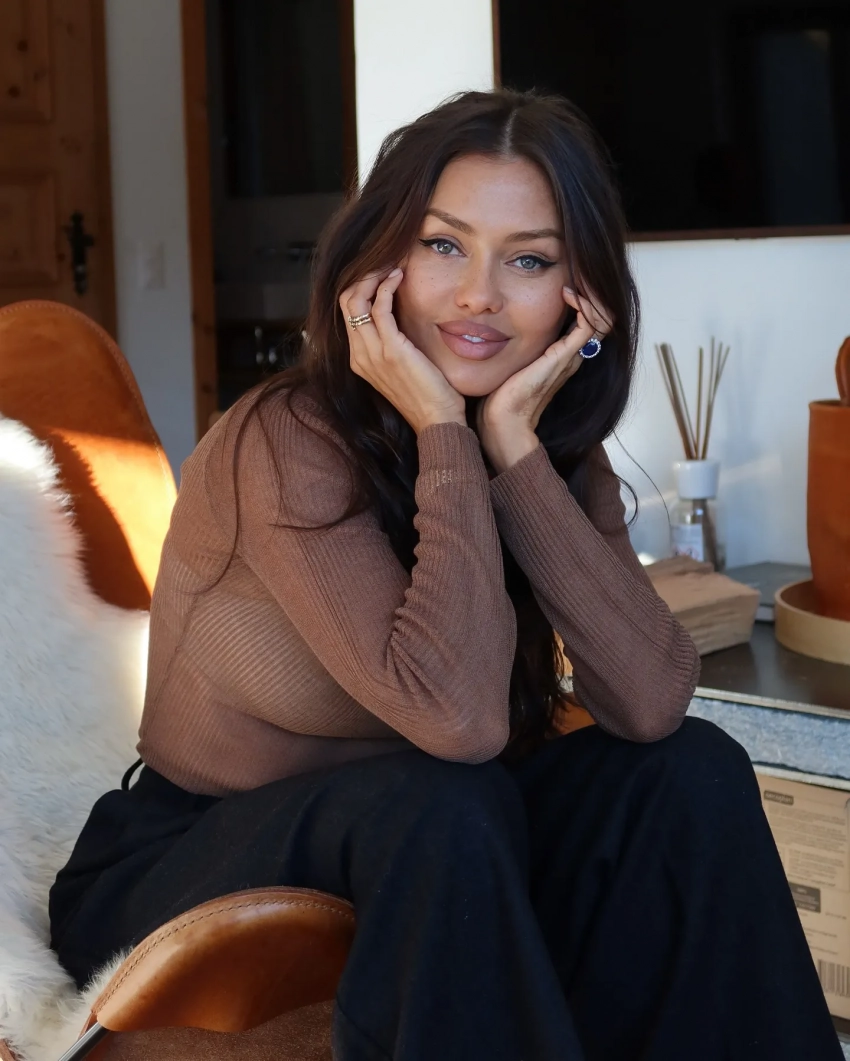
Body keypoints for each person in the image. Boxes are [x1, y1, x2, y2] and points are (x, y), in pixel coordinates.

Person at [49, 89, 841, 1060]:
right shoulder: (285, 439)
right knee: (443, 796)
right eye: (442, 245)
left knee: (693, 769)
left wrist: (512, 449)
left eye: (529, 260)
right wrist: (440, 432)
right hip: (190, 861)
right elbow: (459, 722)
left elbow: (649, 702)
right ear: (379, 260)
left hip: (444, 841)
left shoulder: (547, 448)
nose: (478, 295)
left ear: (581, 296)